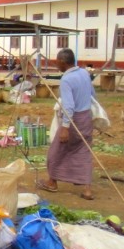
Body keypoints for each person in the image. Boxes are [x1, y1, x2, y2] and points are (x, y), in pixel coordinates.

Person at [37, 48, 96, 201]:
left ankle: (52, 182)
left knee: (56, 151)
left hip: (74, 120)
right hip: (86, 117)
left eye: (57, 62)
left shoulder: (66, 80)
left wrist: (65, 127)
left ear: (63, 62)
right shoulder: (84, 73)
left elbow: (68, 106)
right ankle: (87, 189)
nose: (57, 65)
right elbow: (92, 95)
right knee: (84, 151)